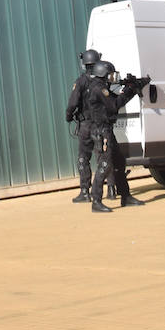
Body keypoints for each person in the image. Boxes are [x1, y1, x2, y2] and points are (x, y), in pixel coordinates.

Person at [82, 62, 150, 213]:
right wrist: (129, 91)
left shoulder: (100, 87)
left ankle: (125, 196)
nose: (113, 77)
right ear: (102, 74)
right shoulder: (98, 89)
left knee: (119, 162)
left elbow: (114, 99)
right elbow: (114, 105)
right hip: (101, 131)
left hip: (106, 130)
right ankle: (96, 201)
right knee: (105, 165)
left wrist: (131, 89)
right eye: (110, 74)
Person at [65, 48, 102, 203]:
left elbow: (73, 103)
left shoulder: (80, 82)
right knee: (104, 157)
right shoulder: (102, 81)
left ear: (84, 63)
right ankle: (112, 190)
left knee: (83, 158)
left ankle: (85, 192)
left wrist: (68, 116)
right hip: (101, 125)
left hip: (86, 125)